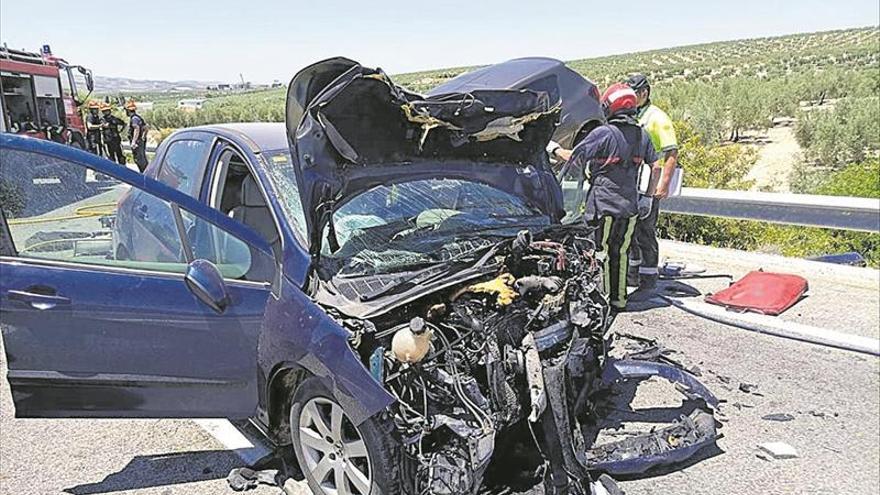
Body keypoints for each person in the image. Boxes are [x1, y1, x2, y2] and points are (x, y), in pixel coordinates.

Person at [547, 83, 659, 311]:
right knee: (621, 252)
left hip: (602, 207)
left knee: (598, 253)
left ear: (609, 107)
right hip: (629, 208)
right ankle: (619, 301)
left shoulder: (603, 134)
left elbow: (574, 158)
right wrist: (648, 196)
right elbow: (656, 166)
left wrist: (553, 149)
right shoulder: (642, 135)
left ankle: (599, 302)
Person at [624, 74, 679, 302]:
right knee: (633, 231)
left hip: (650, 182)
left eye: (633, 94)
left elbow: (671, 152)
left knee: (646, 231)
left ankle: (648, 281)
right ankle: (633, 274)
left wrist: (663, 185)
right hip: (635, 182)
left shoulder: (657, 118)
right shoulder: (634, 115)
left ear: (644, 93)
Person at [124, 100, 148, 172]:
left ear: (128, 111)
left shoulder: (134, 119)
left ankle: (144, 175)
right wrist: (143, 136)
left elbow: (136, 128)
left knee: (139, 159)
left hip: (137, 142)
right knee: (142, 158)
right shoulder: (138, 117)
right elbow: (146, 127)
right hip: (140, 141)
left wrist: (134, 141)